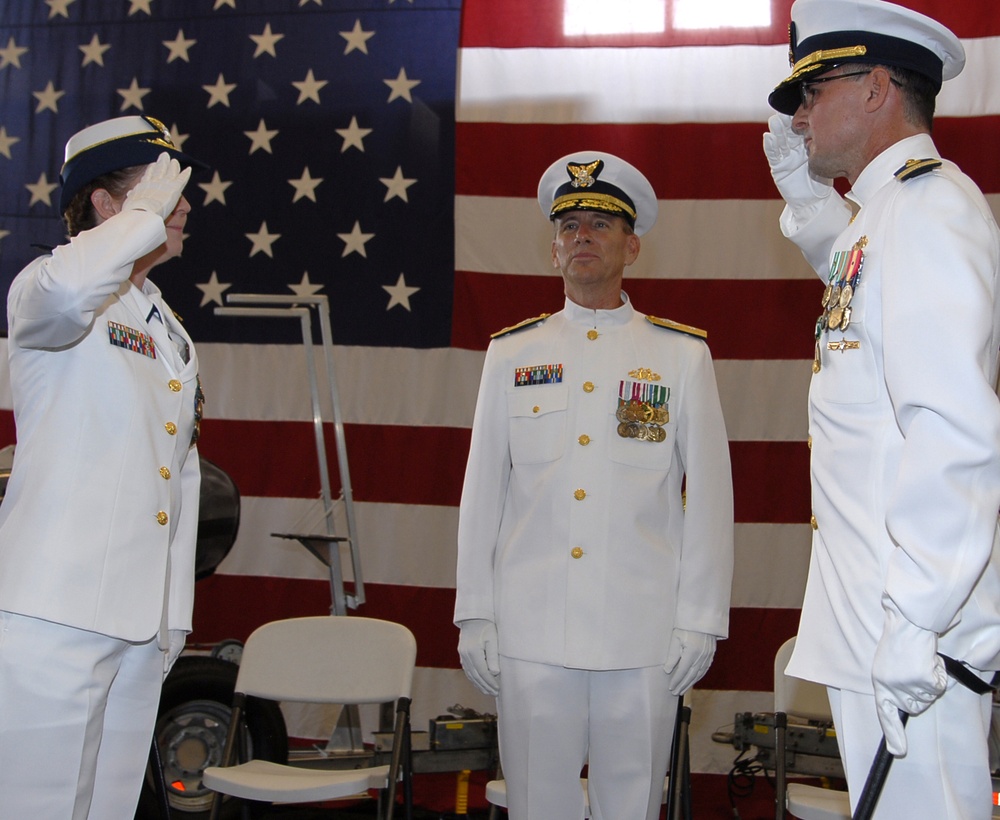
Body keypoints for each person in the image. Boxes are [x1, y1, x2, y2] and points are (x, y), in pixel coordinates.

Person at [763, 1, 1000, 815]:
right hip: (876, 616)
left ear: (874, 89)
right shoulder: (889, 215)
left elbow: (955, 430)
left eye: (813, 90)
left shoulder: (929, 212)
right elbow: (858, 284)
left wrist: (917, 615)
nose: (799, 116)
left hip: (912, 633)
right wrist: (804, 203)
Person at [454, 151, 734, 820]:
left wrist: (700, 619)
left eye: (601, 225)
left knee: (631, 804)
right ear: (553, 250)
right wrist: (476, 611)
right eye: (571, 224)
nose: (583, 235)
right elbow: (483, 491)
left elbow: (712, 502)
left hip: (640, 631)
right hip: (530, 625)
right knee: (536, 804)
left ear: (632, 247)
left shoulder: (680, 356)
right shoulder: (512, 353)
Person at [0, 115, 207, 819]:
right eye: (159, 191)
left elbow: (178, 476)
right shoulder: (48, 288)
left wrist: (171, 615)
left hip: (136, 627)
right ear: (107, 206)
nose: (181, 207)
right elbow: (65, 294)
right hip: (57, 615)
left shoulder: (162, 325)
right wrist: (140, 221)